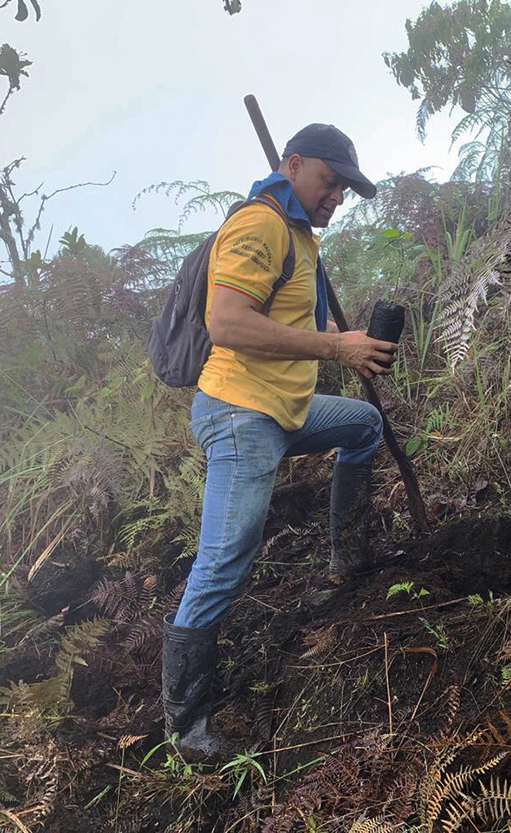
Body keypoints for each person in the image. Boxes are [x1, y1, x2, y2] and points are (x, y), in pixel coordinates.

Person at [161, 124, 397, 756]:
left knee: (363, 425)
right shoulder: (258, 225)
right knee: (226, 555)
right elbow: (228, 321)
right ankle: (186, 724)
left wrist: (351, 345)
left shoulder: (301, 239)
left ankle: (347, 558)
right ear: (293, 166)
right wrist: (331, 345)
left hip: (284, 407)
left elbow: (303, 322)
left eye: (345, 188)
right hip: (240, 412)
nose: (337, 197)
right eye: (329, 181)